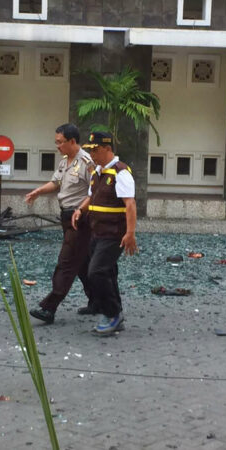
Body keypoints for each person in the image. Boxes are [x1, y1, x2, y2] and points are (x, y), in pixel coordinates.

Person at [25, 123, 95, 324]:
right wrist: (38, 191)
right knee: (83, 263)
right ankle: (98, 301)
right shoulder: (66, 161)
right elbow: (56, 183)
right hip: (66, 216)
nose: (57, 146)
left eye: (60, 142)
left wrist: (82, 210)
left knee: (66, 262)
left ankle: (49, 307)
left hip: (79, 219)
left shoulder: (86, 162)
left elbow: (95, 191)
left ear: (72, 141)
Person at [72, 131, 138, 335]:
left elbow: (130, 205)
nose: (93, 154)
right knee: (107, 272)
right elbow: (91, 197)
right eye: (91, 150)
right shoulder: (98, 172)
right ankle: (114, 312)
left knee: (97, 271)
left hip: (113, 233)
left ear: (108, 149)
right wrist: (80, 210)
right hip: (97, 232)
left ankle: (112, 314)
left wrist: (130, 233)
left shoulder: (121, 172)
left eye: (97, 150)